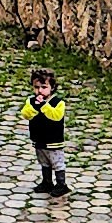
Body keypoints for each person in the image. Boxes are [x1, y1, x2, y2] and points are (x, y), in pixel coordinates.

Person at [24, 68, 69, 197]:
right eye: (36, 87)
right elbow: (25, 114)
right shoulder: (31, 101)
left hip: (54, 140)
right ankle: (47, 182)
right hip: (39, 139)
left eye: (44, 87)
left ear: (52, 87)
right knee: (44, 162)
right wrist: (34, 108)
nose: (40, 90)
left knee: (57, 163)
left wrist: (44, 106)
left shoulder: (58, 103)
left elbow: (56, 116)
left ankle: (61, 184)